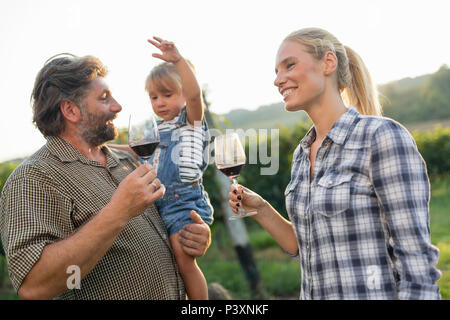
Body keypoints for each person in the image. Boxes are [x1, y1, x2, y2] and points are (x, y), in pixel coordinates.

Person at [228, 27, 441, 300]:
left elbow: (417, 268)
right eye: (276, 72)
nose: (278, 80)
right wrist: (260, 209)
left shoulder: (381, 137)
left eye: (289, 65)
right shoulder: (301, 155)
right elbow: (307, 248)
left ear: (328, 63)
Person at [0, 53, 211, 300]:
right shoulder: (35, 177)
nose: (118, 106)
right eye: (104, 98)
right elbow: (35, 286)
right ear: (70, 110)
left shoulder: (129, 162)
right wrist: (118, 211)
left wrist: (195, 236)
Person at [110, 37, 213, 300]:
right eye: (154, 97)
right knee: (168, 262)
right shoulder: (156, 129)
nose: (160, 102)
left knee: (183, 260)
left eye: (167, 95)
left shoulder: (189, 122)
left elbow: (194, 95)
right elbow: (135, 151)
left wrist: (177, 61)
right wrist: (105, 148)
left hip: (183, 204)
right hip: (159, 206)